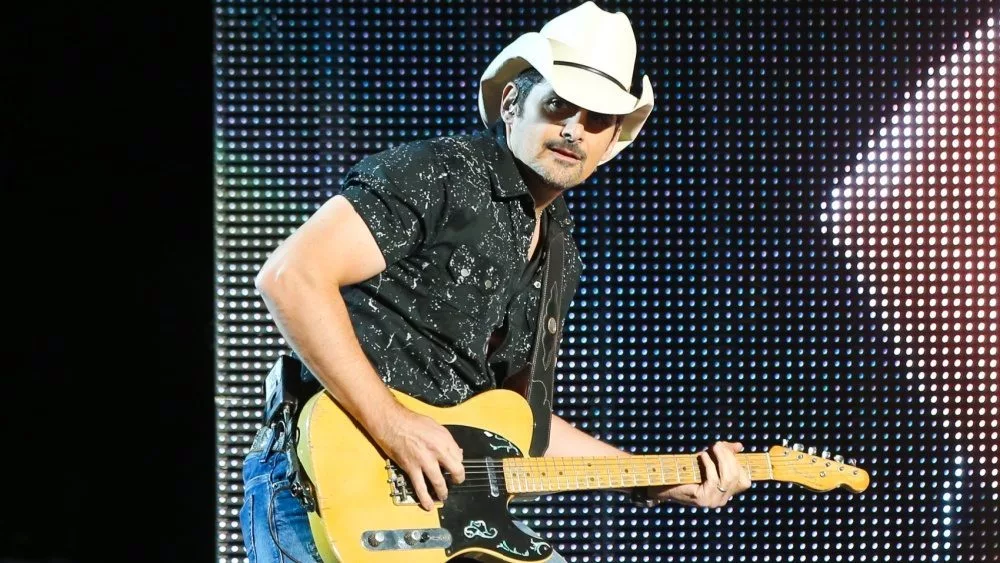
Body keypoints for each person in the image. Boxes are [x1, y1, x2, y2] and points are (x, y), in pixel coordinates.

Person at [238, 2, 752, 562]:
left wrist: (654, 477)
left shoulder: (561, 252)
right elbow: (292, 276)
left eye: (597, 120)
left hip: (434, 506)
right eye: (558, 105)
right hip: (324, 478)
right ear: (512, 103)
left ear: (613, 142)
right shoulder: (442, 171)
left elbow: (515, 425)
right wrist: (393, 423)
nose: (575, 130)